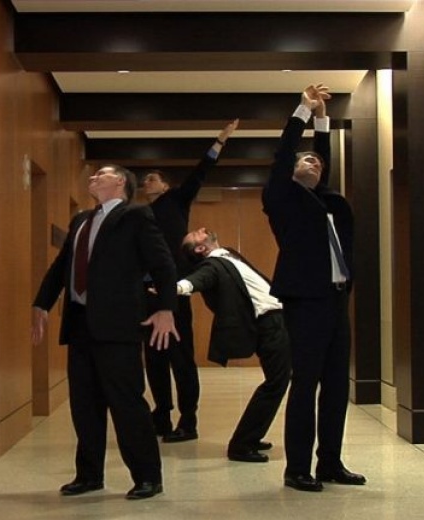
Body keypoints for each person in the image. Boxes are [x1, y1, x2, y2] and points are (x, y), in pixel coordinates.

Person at [31, 164, 178, 500]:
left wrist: (166, 308)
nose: (93, 177)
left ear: (121, 182)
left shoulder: (135, 216)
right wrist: (41, 303)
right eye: (92, 174)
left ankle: (147, 477)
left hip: (118, 325)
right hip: (80, 322)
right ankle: (89, 475)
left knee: (126, 402)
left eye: (101, 174)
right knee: (84, 404)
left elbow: (162, 263)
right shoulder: (81, 220)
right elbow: (61, 267)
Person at [261, 84, 366, 492]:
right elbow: (284, 156)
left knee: (337, 384)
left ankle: (330, 462)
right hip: (305, 302)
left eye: (318, 162)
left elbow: (325, 159)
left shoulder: (328, 201)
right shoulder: (282, 198)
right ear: (290, 171)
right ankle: (297, 468)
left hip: (336, 300)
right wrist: (301, 113)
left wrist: (325, 118)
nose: (315, 164)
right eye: (306, 160)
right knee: (305, 383)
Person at [141, 119, 240, 443]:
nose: (146, 182)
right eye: (145, 179)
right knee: (154, 358)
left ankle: (189, 419)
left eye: (152, 178)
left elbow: (200, 172)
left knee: (180, 358)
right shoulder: (139, 214)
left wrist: (220, 140)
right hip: (147, 294)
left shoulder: (176, 200)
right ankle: (162, 414)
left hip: (175, 291)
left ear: (166, 186)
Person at [177, 227, 291, 463]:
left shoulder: (228, 254)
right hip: (268, 323)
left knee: (277, 381)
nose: (200, 229)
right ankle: (242, 444)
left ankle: (249, 437)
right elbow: (195, 281)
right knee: (276, 382)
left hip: (277, 318)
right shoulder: (211, 265)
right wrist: (176, 288)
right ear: (201, 248)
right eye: (196, 235)